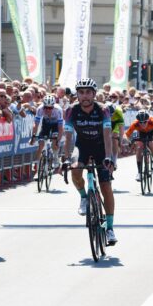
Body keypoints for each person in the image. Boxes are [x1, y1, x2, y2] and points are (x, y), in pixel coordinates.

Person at [61, 78, 117, 245]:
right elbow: (68, 137)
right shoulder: (71, 110)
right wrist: (66, 158)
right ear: (77, 95)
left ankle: (110, 228)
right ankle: (84, 196)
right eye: (81, 92)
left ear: (94, 94)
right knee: (75, 169)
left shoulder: (103, 110)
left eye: (88, 92)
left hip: (101, 147)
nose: (84, 96)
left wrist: (109, 157)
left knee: (106, 187)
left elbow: (107, 135)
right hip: (82, 146)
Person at [123, 109, 153, 181]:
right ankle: (139, 172)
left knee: (151, 143)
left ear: (148, 120)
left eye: (145, 122)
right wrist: (128, 142)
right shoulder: (135, 123)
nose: (143, 124)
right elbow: (126, 134)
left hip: (152, 132)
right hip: (141, 133)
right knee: (139, 147)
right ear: (138, 121)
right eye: (141, 122)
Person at [30, 95, 64, 167]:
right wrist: (33, 136)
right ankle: (37, 166)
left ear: (53, 106)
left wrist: (58, 140)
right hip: (46, 124)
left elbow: (60, 127)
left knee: (54, 142)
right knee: (41, 145)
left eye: (50, 108)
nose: (48, 110)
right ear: (43, 106)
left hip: (56, 125)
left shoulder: (58, 110)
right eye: (46, 107)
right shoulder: (40, 109)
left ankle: (55, 157)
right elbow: (36, 125)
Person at [107, 101, 124, 166]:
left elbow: (121, 129)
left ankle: (114, 160)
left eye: (112, 114)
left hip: (116, 123)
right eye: (109, 115)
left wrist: (120, 141)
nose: (111, 116)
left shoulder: (118, 112)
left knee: (115, 139)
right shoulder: (102, 111)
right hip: (106, 122)